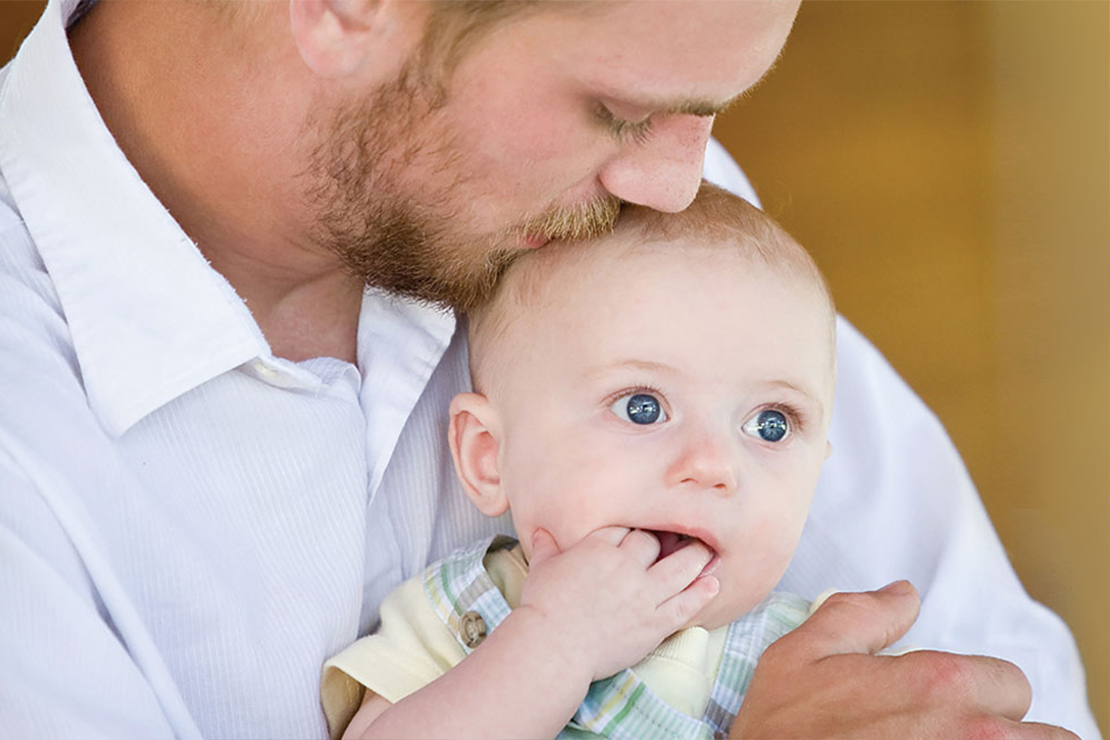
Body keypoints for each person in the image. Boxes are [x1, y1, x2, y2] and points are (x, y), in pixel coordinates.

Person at [0, 0, 1096, 738]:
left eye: (703, 113)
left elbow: (993, 665)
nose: (682, 183)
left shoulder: (616, 200)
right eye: (620, 108)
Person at [321, 185, 840, 740]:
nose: (713, 464)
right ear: (489, 457)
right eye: (642, 408)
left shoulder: (816, 652)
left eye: (771, 425)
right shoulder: (461, 619)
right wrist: (555, 643)